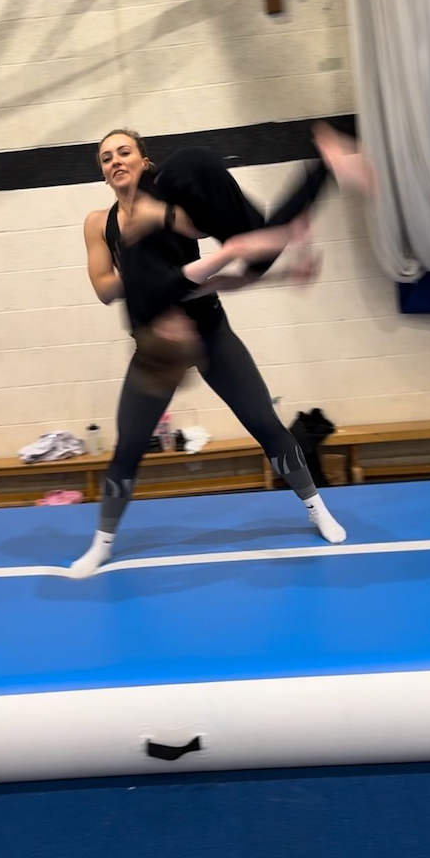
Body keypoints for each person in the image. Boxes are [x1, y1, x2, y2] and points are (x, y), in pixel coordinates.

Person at [70, 125, 371, 578]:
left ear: (143, 160)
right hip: (158, 349)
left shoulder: (167, 198)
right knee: (128, 446)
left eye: (124, 151)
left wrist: (272, 267)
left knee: (265, 424)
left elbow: (213, 259)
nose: (115, 160)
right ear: (103, 173)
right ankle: (102, 543)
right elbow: (103, 290)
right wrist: (156, 281)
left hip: (207, 326)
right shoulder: (100, 222)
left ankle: (317, 510)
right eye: (106, 157)